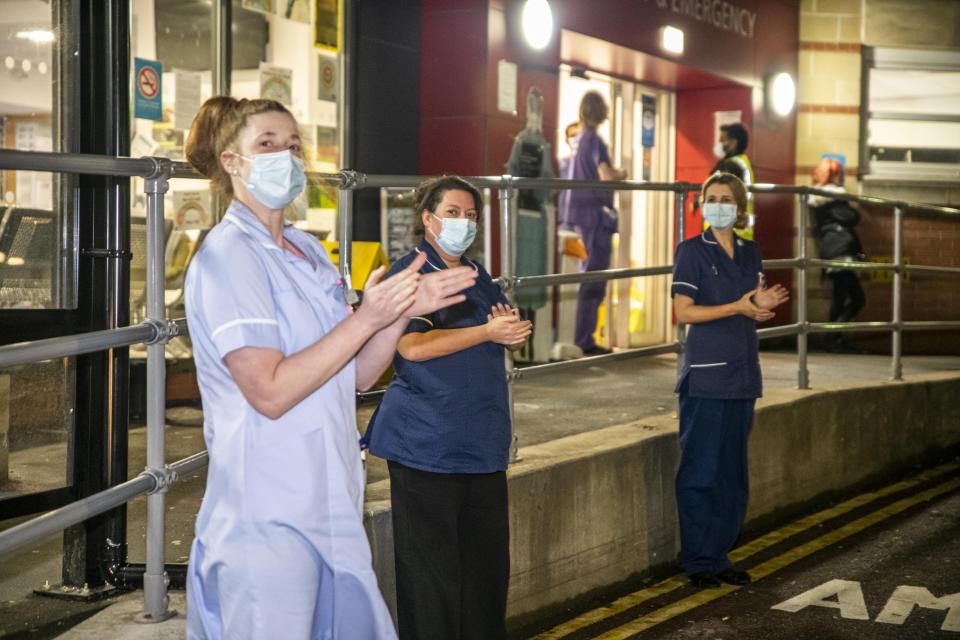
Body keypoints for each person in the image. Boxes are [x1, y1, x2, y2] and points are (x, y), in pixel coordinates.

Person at [182, 96, 478, 639]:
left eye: (294, 145)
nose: (286, 156)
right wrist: (368, 316)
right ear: (231, 161)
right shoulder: (229, 257)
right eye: (266, 144)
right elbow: (268, 391)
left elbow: (357, 374)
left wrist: (399, 312)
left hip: (333, 501)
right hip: (268, 513)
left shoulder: (307, 251)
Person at [365, 176, 532, 640]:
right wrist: (485, 333)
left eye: (472, 215)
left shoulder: (479, 276)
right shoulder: (411, 275)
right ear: (428, 218)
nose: (464, 223)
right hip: (428, 447)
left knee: (485, 578)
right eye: (453, 213)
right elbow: (412, 347)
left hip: (480, 446)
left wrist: (511, 333)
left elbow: (500, 333)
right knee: (432, 584)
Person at [671, 171, 789, 589]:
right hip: (705, 379)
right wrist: (737, 307)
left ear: (739, 209)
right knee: (700, 471)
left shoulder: (751, 252)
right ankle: (699, 560)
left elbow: (749, 307)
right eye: (711, 197)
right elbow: (684, 313)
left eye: (726, 198)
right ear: (704, 203)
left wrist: (758, 307)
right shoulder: (691, 252)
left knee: (732, 475)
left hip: (742, 375)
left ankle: (719, 555)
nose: (718, 204)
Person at [558, 91, 627, 356]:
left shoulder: (576, 141)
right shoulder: (595, 141)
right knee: (594, 279)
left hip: (572, 217)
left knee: (578, 277)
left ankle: (575, 336)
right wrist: (622, 174)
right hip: (594, 219)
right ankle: (584, 339)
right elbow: (605, 174)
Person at [505, 87, 554, 357]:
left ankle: (526, 345)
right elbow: (547, 180)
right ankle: (526, 344)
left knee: (525, 274)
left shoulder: (525, 141)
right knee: (528, 275)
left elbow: (511, 173)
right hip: (532, 218)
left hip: (523, 216)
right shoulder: (536, 143)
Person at [810, 156, 865, 352]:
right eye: (838, 174)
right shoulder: (833, 199)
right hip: (840, 250)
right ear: (832, 175)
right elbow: (852, 217)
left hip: (833, 250)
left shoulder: (818, 198)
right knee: (856, 298)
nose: (841, 178)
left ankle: (835, 338)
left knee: (841, 296)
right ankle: (834, 337)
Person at [710, 123, 755, 240]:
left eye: (722, 140)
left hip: (726, 232)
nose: (719, 144)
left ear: (733, 143)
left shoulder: (730, 166)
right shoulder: (742, 162)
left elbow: (714, 191)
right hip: (739, 231)